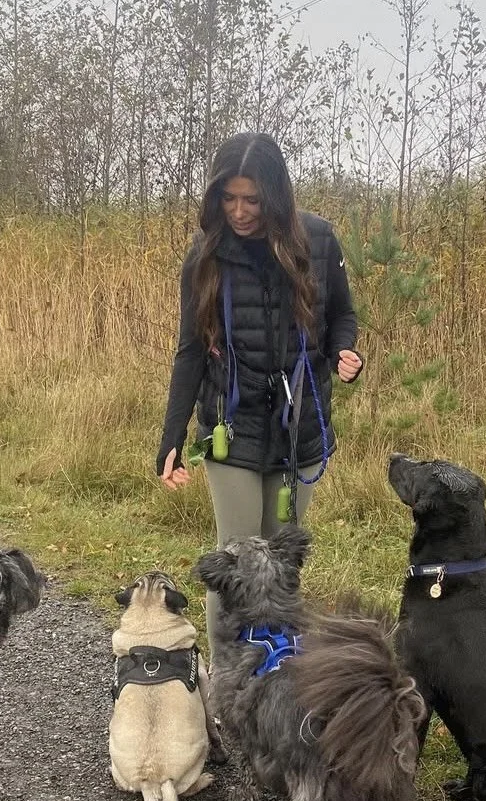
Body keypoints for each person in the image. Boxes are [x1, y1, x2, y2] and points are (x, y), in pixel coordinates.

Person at [155, 133, 362, 635]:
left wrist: (343, 352)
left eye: (251, 199)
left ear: (275, 196)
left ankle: (275, 684)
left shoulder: (318, 240)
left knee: (281, 565)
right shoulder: (206, 253)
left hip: (300, 425)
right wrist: (171, 439)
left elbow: (341, 316)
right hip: (232, 424)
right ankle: (229, 692)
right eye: (229, 198)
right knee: (235, 562)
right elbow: (190, 350)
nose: (240, 211)